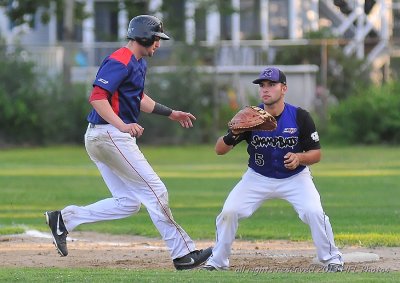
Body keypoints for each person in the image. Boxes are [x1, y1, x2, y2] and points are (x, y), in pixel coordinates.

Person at [44, 15, 212, 270]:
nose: (158, 44)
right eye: (156, 39)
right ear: (144, 36)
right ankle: (184, 254)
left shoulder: (137, 63)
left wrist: (171, 113)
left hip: (102, 136)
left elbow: (138, 97)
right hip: (110, 134)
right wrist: (122, 125)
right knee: (156, 191)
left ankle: (64, 220)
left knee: (129, 203)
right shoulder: (120, 60)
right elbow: (97, 98)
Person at [202, 67, 344, 272]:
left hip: (295, 178)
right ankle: (217, 261)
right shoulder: (250, 116)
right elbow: (219, 150)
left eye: (271, 85)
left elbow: (316, 154)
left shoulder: (300, 116)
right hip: (257, 177)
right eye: (262, 86)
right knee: (229, 211)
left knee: (314, 212)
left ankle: (332, 259)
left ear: (283, 88)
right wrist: (233, 134)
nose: (265, 89)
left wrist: (300, 157)